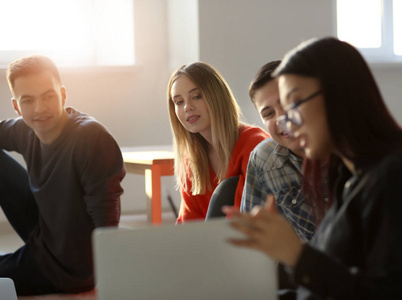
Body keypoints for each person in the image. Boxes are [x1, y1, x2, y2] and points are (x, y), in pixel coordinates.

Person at [225, 37, 402, 299]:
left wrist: (297, 255)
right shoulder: (347, 178)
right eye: (270, 113)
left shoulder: (391, 179)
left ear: (338, 94)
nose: (288, 123)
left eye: (294, 104)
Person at [0, 55, 125, 295]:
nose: (40, 109)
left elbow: (106, 225)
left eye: (48, 96)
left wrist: (104, 282)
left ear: (63, 94)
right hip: (45, 234)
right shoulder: (27, 130)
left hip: (65, 269)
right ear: (16, 106)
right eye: (28, 100)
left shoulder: (90, 138)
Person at [167, 62, 269, 223]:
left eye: (196, 96)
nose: (187, 107)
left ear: (217, 97)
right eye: (179, 102)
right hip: (210, 243)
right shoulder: (191, 158)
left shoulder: (254, 145)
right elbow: (188, 226)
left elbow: (243, 221)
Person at [241, 60, 316, 241]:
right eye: (268, 114)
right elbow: (251, 236)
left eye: (287, 102)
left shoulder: (348, 155)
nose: (281, 118)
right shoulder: (264, 158)